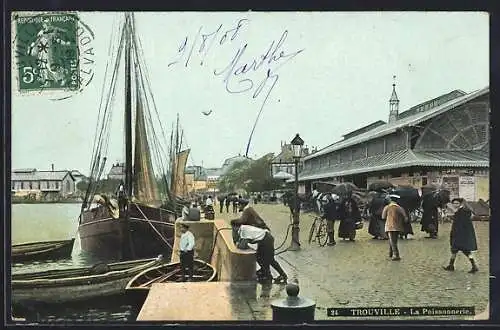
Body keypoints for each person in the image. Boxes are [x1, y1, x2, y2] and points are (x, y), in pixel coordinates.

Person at [443, 198, 478, 273]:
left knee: (464, 250)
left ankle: (474, 266)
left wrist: (452, 212)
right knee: (454, 250)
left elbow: (461, 222)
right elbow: (458, 219)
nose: (455, 205)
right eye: (454, 203)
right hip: (459, 233)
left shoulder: (463, 211)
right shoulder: (462, 211)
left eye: (456, 203)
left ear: (460, 204)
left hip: (461, 234)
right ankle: (451, 265)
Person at [381, 195, 407, 261]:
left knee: (392, 241)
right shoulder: (399, 208)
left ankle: (396, 255)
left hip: (389, 226)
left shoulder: (387, 207)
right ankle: (390, 254)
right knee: (393, 240)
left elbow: (383, 217)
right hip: (398, 227)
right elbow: (405, 218)